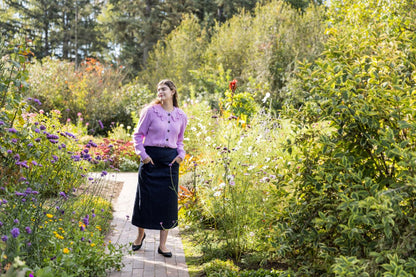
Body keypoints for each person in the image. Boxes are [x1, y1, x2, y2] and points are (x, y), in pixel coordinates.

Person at [131, 79, 188, 258]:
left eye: (163, 89)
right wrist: (144, 157)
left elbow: (179, 140)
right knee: (144, 199)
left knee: (168, 202)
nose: (160, 92)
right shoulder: (150, 112)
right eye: (158, 89)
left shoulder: (181, 115)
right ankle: (140, 235)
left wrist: (181, 156)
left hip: (170, 163)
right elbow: (138, 135)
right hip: (151, 160)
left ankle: (163, 245)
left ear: (172, 91)